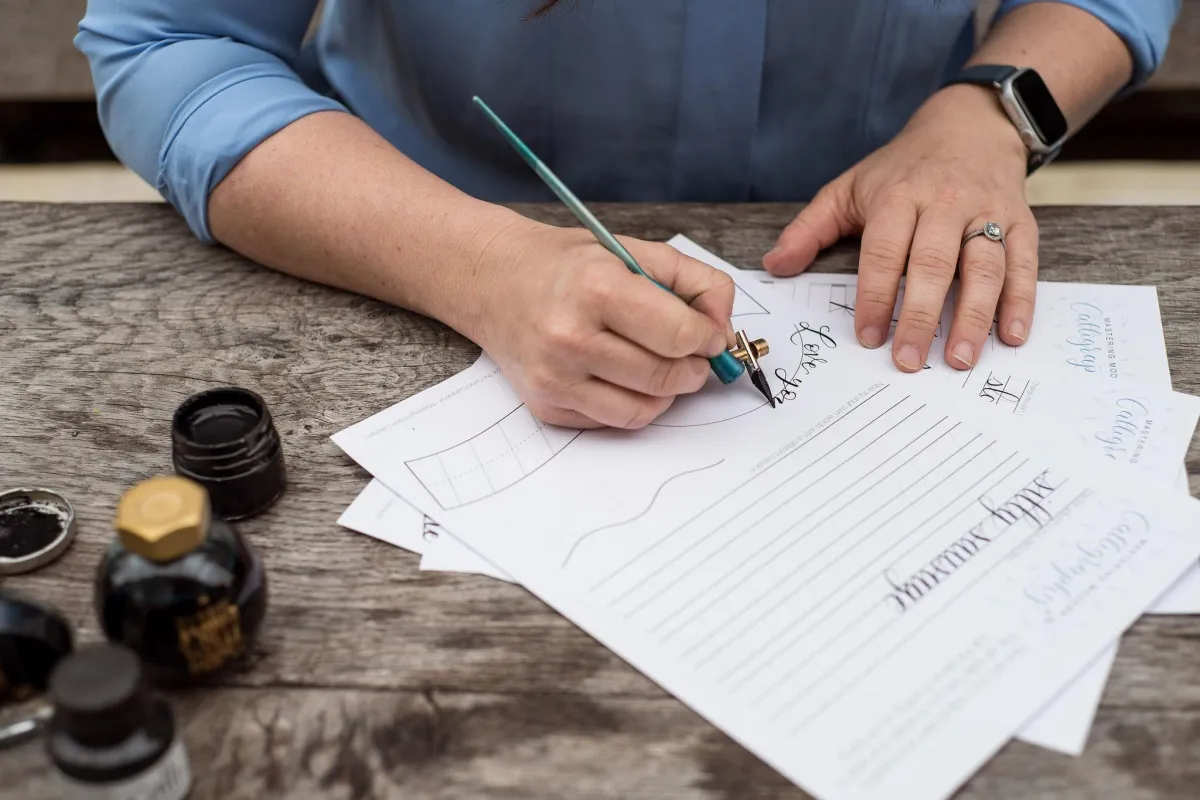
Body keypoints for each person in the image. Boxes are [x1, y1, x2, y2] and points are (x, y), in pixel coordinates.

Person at [75, 1, 1177, 429]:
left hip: (871, 243)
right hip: (398, 262)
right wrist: (481, 263)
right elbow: (167, 44)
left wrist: (991, 112)